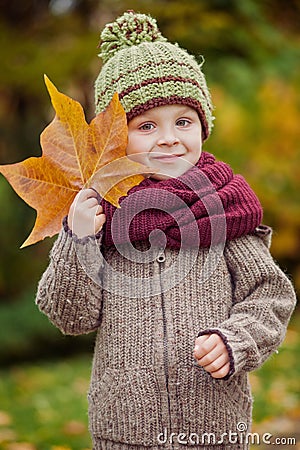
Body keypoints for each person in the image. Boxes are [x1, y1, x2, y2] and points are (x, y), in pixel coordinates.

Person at [36, 10, 296, 450]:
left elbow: (271, 296)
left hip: (213, 427)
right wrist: (77, 238)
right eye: (147, 126)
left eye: (184, 121)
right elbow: (71, 316)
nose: (169, 138)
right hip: (124, 430)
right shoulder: (100, 214)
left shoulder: (226, 211)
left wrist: (236, 339)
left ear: (202, 127)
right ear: (117, 139)